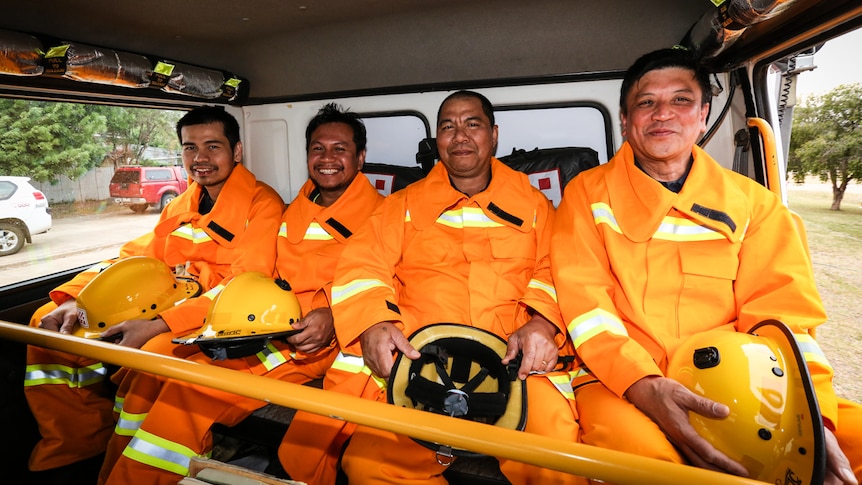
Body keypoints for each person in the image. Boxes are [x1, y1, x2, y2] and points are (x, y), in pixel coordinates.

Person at [550, 47, 861, 484]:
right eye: (646, 102)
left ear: (703, 114)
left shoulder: (757, 205)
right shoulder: (585, 195)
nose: (663, 114)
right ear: (625, 120)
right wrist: (642, 385)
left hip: (740, 383)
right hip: (620, 381)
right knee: (644, 465)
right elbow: (587, 310)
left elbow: (787, 323)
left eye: (681, 100)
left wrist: (815, 419)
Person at [98, 102, 384, 485]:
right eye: (317, 148)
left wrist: (333, 315)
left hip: (325, 342)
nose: (327, 158)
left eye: (340, 149)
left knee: (190, 392)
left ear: (360, 157)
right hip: (262, 328)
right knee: (180, 379)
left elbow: (386, 283)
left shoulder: (385, 215)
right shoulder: (293, 210)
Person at [313, 90, 581, 484]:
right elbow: (362, 267)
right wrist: (372, 324)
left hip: (518, 367)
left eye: (472, 124)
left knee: (557, 465)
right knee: (370, 467)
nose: (460, 136)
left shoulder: (537, 206)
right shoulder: (400, 206)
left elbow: (561, 269)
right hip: (422, 362)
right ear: (436, 140)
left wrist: (542, 324)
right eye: (448, 126)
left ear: (494, 135)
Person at [23, 105, 285, 483]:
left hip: (213, 316)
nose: (201, 159)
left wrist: (158, 324)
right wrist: (79, 298)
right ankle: (74, 444)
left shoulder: (262, 204)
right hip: (164, 299)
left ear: (237, 151)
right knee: (44, 321)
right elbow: (136, 258)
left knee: (155, 354)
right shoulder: (180, 204)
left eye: (213, 146)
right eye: (190, 148)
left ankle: (128, 466)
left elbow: (243, 285)